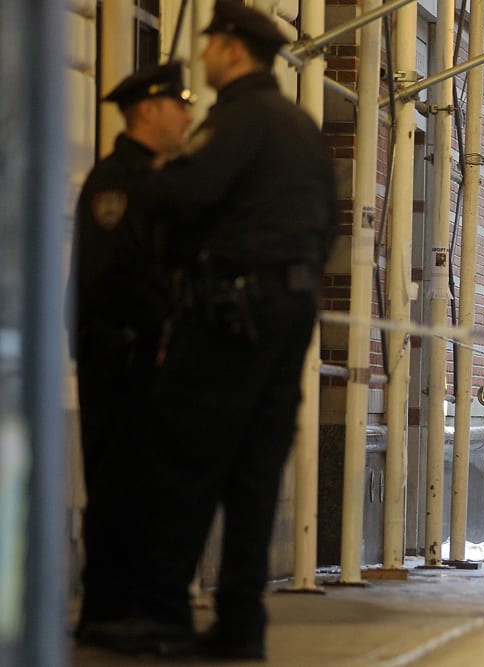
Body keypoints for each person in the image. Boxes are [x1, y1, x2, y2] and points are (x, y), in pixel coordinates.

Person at [93, 0, 338, 659]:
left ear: (233, 50)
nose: (200, 56)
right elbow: (330, 227)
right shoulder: (300, 128)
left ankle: (166, 613)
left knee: (185, 462)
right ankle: (240, 622)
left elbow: (183, 194)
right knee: (256, 473)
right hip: (291, 316)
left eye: (209, 44)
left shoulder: (236, 119)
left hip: (231, 318)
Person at [68, 62, 193, 641]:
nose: (187, 115)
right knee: (119, 486)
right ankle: (107, 611)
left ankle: (137, 606)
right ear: (147, 110)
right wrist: (166, 320)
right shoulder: (117, 181)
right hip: (120, 358)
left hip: (150, 358)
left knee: (150, 488)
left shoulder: (160, 176)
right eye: (178, 104)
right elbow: (112, 277)